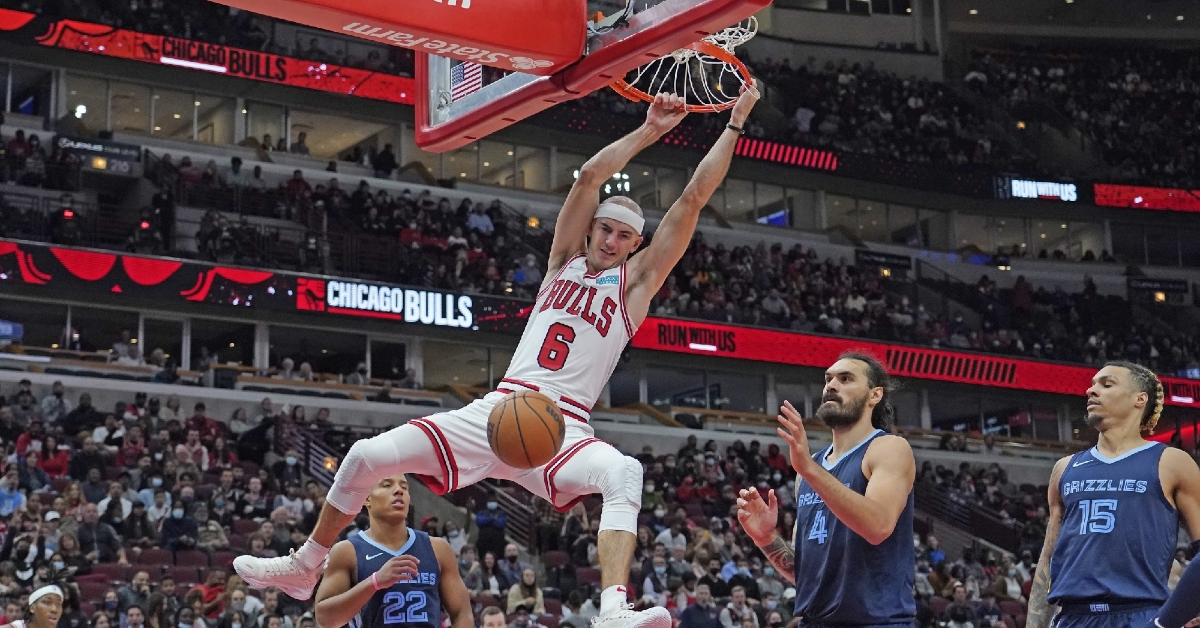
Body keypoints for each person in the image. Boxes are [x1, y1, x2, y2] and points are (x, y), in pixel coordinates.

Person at [236, 86, 760, 628]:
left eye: (624, 235)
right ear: (592, 229)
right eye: (604, 228)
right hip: (499, 410)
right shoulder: (562, 261)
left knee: (623, 472)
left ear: (634, 244)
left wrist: (735, 123)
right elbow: (586, 178)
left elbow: (693, 197)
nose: (610, 239)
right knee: (367, 455)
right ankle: (305, 566)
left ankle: (610, 611)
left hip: (563, 429)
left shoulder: (636, 286)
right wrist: (650, 130)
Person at [736, 353, 916, 628]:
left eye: (845, 379)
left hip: (876, 622)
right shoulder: (811, 468)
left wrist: (808, 469)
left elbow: (878, 526)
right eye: (828, 379)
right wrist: (765, 537)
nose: (832, 385)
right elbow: (807, 573)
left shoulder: (888, 448)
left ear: (874, 395)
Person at [1027, 362, 1200, 628]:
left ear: (1139, 399)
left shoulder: (1172, 462)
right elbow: (1049, 558)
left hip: (1142, 614)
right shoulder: (1064, 469)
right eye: (1093, 384)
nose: (1091, 390)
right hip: (1072, 617)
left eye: (1106, 384)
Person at [312, 474, 472, 628]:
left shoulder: (438, 549)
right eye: (387, 485)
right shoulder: (347, 551)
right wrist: (374, 582)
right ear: (367, 498)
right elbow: (325, 619)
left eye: (404, 487)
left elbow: (461, 612)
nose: (399, 491)